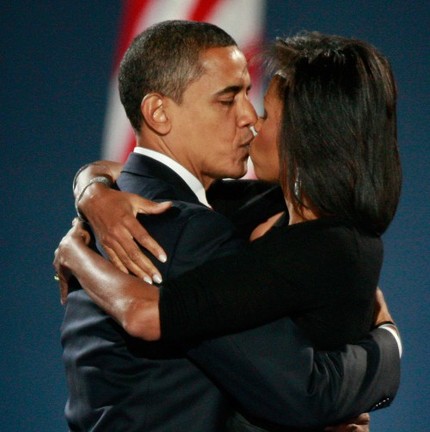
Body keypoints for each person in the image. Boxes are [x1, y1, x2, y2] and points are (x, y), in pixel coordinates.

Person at [55, 23, 401, 432]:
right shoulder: (184, 230)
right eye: (227, 99)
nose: (250, 119)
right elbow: (304, 393)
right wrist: (389, 343)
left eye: (254, 102)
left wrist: (90, 189)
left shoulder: (129, 207)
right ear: (159, 113)